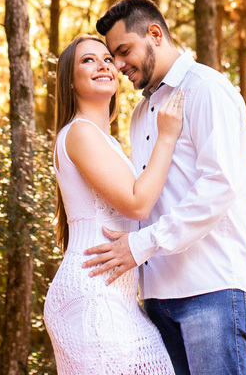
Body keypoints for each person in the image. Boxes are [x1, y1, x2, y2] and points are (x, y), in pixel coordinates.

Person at [84, 0, 246, 375]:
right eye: (113, 56)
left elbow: (220, 185)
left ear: (155, 35)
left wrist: (142, 245)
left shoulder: (207, 89)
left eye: (123, 51)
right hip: (156, 297)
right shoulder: (141, 113)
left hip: (210, 289)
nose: (118, 64)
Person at [43, 34, 184, 374]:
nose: (103, 64)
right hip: (91, 296)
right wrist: (166, 136)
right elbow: (137, 204)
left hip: (117, 299)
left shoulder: (106, 141)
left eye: (107, 58)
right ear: (71, 82)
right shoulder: (79, 133)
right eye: (88, 60)